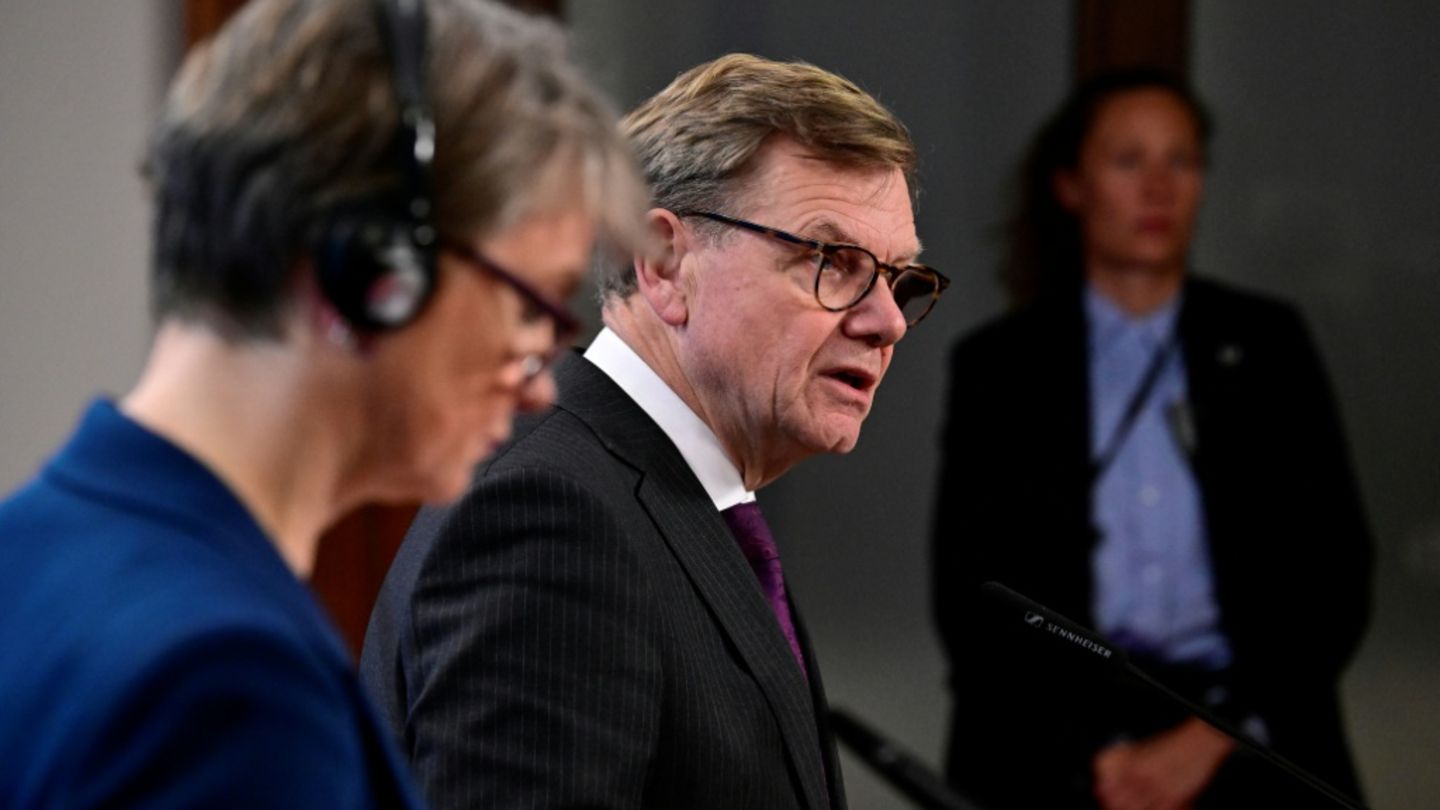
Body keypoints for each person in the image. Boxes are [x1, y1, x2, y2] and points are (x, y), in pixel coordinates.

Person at [0, 0, 645, 805]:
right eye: (531, 307)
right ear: (372, 269)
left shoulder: (28, 546)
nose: (539, 382)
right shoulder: (230, 688)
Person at [361, 53, 948, 810]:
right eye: (834, 261)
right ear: (664, 264)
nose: (887, 321)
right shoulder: (554, 518)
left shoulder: (682, 500)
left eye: (899, 278)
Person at [931, 68, 1372, 809]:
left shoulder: (1266, 344)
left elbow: (1334, 573)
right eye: (1129, 161)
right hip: (1057, 743)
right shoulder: (1002, 366)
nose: (1159, 188)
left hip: (1248, 729)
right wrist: (1099, 760)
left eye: (1182, 160)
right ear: (1071, 185)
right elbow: (974, 598)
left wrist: (1206, 740)